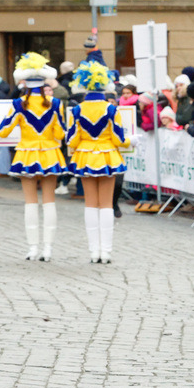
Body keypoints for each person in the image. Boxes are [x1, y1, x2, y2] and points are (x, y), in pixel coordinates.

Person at [0, 52, 66, 261]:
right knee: (49, 201)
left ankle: (32, 248)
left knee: (30, 202)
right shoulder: (56, 104)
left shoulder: (19, 104)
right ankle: (48, 249)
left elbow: (3, 130)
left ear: (24, 82)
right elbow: (61, 133)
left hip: (27, 154)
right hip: (50, 154)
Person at [66, 58, 130, 263]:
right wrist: (132, 141)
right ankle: (106, 252)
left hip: (85, 156)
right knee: (106, 205)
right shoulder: (111, 109)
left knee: (90, 204)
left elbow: (71, 139)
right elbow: (119, 139)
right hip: (107, 156)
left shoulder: (76, 110)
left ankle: (94, 252)